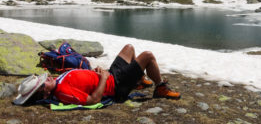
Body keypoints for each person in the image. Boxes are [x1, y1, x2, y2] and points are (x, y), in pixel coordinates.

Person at [13, 44, 181, 105]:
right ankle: (160, 88)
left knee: (129, 48)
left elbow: (83, 80)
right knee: (148, 56)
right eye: (43, 83)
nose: (46, 78)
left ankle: (138, 80)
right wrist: (103, 79)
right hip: (116, 86)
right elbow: (93, 99)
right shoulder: (63, 92)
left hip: (109, 76)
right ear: (45, 93)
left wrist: (95, 73)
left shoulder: (58, 82)